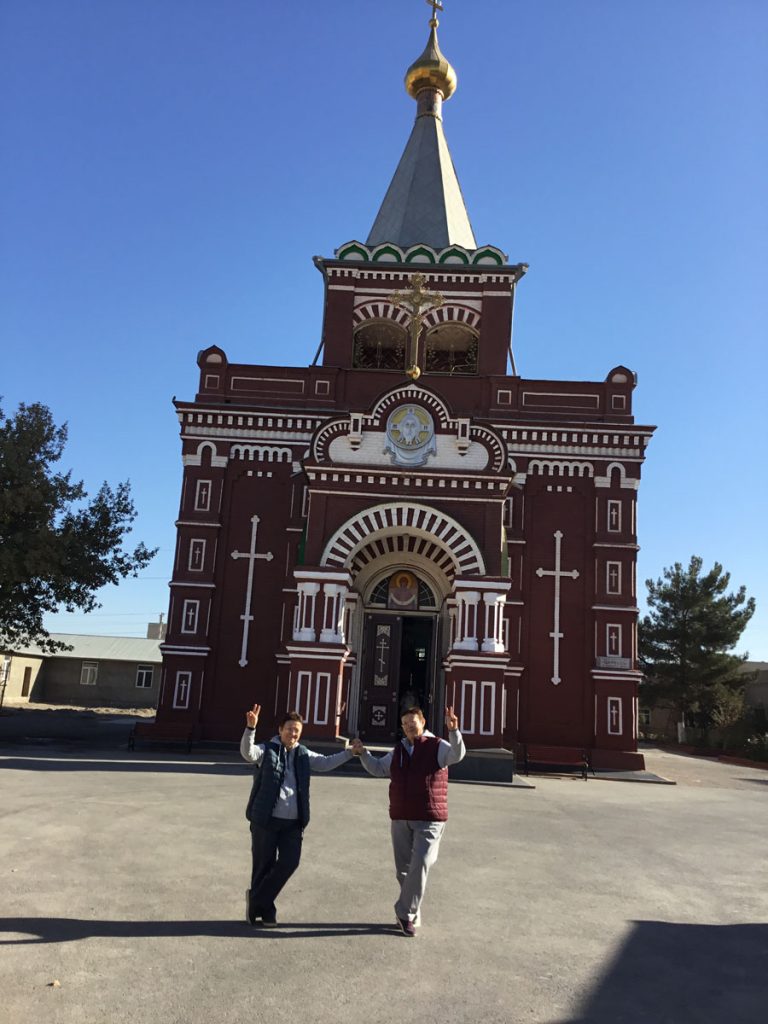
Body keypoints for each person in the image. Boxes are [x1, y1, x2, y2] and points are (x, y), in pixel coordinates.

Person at [351, 705, 465, 937]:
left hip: (429, 817)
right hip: (401, 816)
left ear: (423, 722)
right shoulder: (399, 750)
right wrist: (363, 754)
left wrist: (454, 731)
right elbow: (379, 769)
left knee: (421, 862)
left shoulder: (438, 746)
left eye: (413, 722)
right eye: (405, 724)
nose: (409, 727)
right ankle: (413, 910)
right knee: (403, 870)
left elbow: (457, 755)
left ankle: (404, 913)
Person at [241, 704, 353, 927]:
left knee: (290, 862)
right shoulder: (267, 750)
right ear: (280, 729)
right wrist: (250, 729)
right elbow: (248, 753)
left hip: (293, 822)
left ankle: (256, 899)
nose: (292, 734)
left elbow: (325, 763)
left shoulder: (303, 754)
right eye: (289, 729)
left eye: (297, 731)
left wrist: (350, 753)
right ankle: (266, 909)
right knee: (263, 864)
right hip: (266, 819)